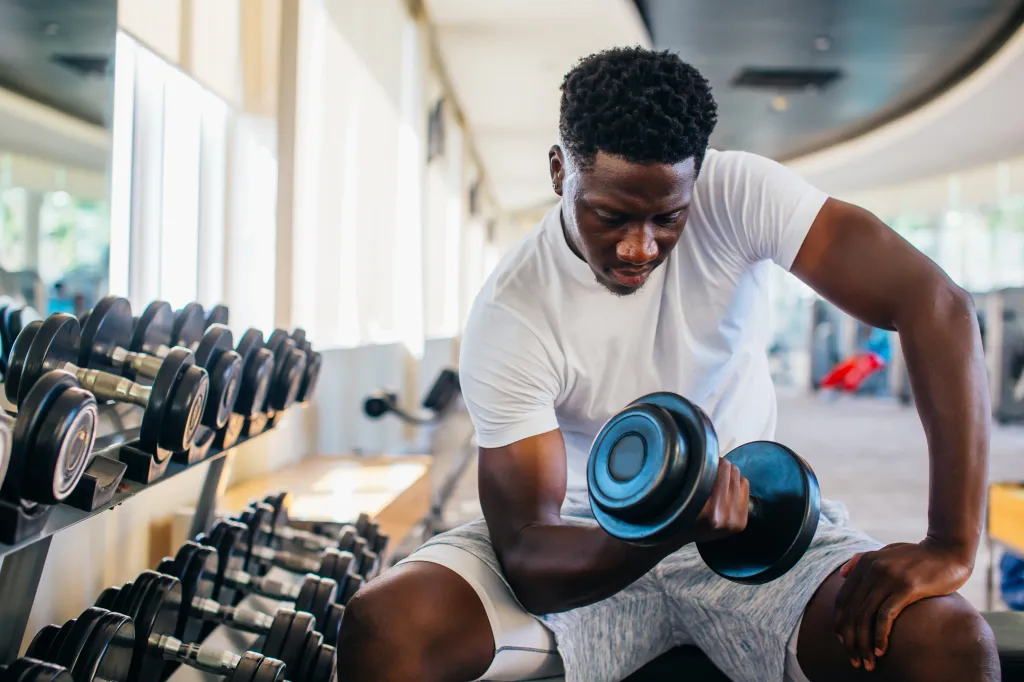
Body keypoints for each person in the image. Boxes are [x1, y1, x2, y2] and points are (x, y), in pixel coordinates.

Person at [337, 47, 997, 682]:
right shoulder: (513, 312)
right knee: (388, 625)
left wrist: (950, 542)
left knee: (948, 640)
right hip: (581, 542)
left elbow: (934, 305)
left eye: (667, 218)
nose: (638, 246)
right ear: (560, 172)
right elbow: (530, 556)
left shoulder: (741, 192)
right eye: (610, 215)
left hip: (753, 527)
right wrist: (667, 528)